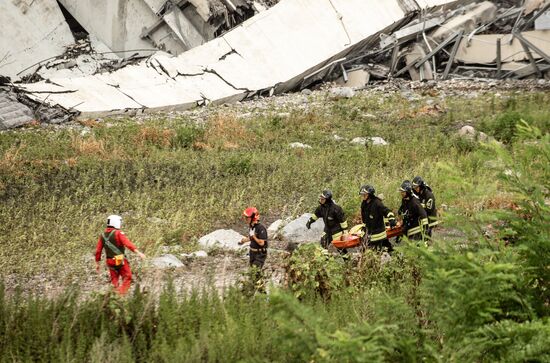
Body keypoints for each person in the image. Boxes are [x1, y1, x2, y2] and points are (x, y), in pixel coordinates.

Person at [95, 214, 146, 295]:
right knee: (127, 277)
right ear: (115, 222)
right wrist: (138, 253)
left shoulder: (102, 235)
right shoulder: (118, 233)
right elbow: (128, 244)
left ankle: (114, 297)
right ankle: (121, 295)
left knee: (114, 281)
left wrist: (97, 263)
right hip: (119, 260)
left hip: (109, 261)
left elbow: (98, 250)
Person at [359, 184, 396, 252]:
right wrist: (364, 229)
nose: (363, 196)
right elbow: (365, 219)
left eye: (365, 194)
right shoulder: (364, 204)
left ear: (370, 194)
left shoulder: (377, 203)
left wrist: (391, 219)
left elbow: (387, 211)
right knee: (365, 250)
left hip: (379, 234)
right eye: (362, 194)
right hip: (370, 233)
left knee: (382, 250)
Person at [239, 207, 268, 290]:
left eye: (247, 217)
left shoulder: (261, 228)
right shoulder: (251, 226)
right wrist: (245, 240)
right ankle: (258, 293)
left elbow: (262, 243)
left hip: (260, 255)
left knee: (254, 273)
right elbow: (251, 237)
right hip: (252, 254)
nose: (245, 219)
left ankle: (259, 294)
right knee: (256, 275)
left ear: (253, 218)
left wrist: (254, 237)